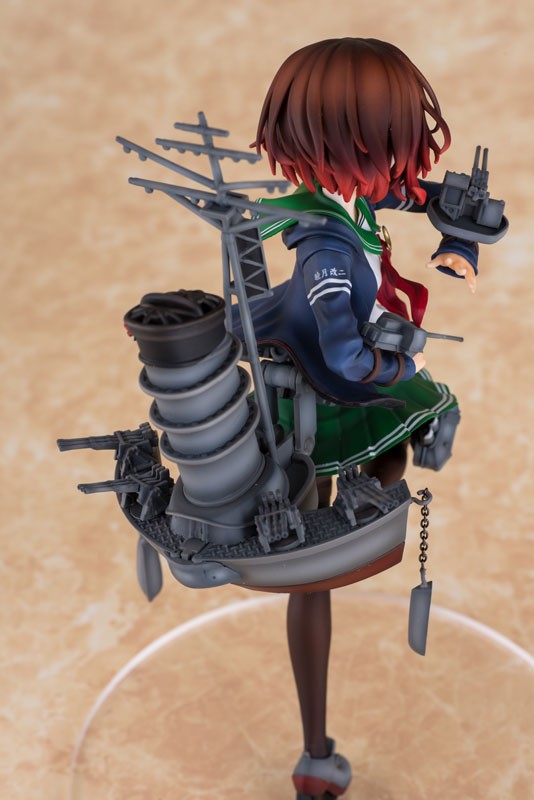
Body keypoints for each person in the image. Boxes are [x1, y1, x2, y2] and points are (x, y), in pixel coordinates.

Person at [239, 38, 480, 798]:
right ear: (355, 146)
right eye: (391, 140)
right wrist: (399, 364)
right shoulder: (325, 248)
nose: (400, 165)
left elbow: (414, 193)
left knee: (412, 424)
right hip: (321, 387)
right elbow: (345, 357)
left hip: (339, 367)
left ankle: (368, 496)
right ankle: (315, 754)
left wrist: (461, 227)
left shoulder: (349, 198)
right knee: (313, 568)